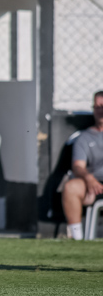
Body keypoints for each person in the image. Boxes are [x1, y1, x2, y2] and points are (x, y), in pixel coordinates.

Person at [61, 91, 103, 240]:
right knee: (71, 187)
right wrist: (89, 178)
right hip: (94, 185)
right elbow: (78, 166)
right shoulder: (84, 138)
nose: (100, 110)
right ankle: (77, 239)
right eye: (96, 106)